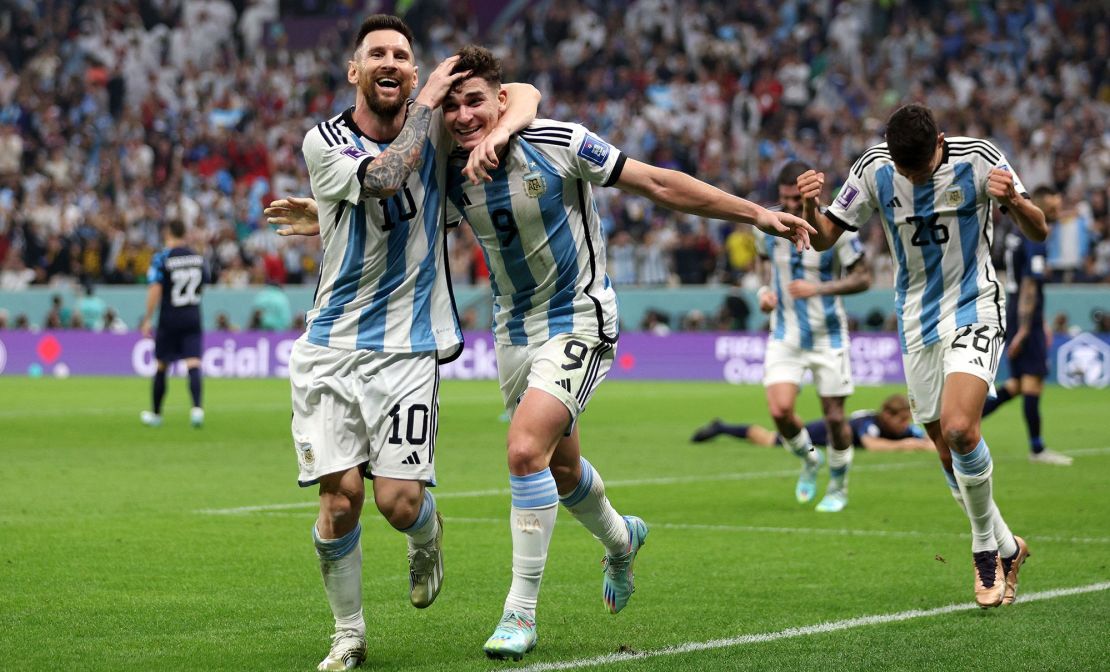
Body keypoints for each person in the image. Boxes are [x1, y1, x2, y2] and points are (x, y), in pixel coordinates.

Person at [268, 45, 815, 663]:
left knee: (525, 450)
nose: (464, 115)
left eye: (477, 101)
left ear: (501, 101)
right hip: (515, 330)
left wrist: (755, 215)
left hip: (582, 316)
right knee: (559, 468)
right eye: (453, 106)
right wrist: (323, 212)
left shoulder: (561, 143)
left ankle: (519, 613)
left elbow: (657, 182)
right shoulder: (454, 173)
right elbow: (399, 213)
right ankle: (620, 540)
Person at [268, 16, 541, 672]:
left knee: (398, 502)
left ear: (416, 73)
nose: (390, 62)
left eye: (403, 55)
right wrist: (424, 110)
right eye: (377, 54)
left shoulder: (441, 127)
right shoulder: (324, 141)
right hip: (331, 344)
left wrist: (495, 130)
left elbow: (525, 94)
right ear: (354, 72)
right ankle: (349, 634)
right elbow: (387, 176)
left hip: (410, 345)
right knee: (340, 496)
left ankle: (426, 535)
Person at [797, 103, 1048, 609]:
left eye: (920, 168)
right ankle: (1007, 547)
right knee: (941, 445)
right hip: (914, 320)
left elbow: (1039, 228)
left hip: (974, 306)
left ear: (940, 143)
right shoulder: (873, 170)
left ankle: (982, 551)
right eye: (904, 170)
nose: (911, 177)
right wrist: (809, 206)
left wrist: (1015, 204)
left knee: (960, 429)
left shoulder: (980, 160)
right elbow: (823, 239)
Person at [751, 160, 872, 512]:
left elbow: (863, 278)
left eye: (795, 199)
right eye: (784, 199)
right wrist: (763, 291)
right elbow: (762, 261)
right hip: (785, 333)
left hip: (828, 335)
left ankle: (838, 485)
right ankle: (809, 459)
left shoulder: (840, 229)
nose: (789, 207)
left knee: (835, 417)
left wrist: (819, 289)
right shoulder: (767, 224)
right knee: (780, 411)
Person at [983, 186, 1072, 465]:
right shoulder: (1035, 237)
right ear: (1042, 208)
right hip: (1024, 315)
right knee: (1033, 383)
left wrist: (1039, 322)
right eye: (1054, 210)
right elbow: (1030, 286)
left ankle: (960, 421)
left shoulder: (1015, 233)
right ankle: (1037, 449)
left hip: (1016, 309)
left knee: (1017, 385)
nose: (1057, 215)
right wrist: (1025, 328)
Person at [692, 393, 934, 453]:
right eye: (901, 420)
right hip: (820, 431)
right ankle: (722, 427)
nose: (905, 425)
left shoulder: (904, 429)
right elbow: (872, 445)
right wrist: (910, 444)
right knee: (769, 440)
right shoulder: (868, 422)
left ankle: (722, 427)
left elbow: (926, 440)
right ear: (887, 415)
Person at [139, 219, 207, 428]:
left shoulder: (162, 258)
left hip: (170, 317)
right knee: (193, 363)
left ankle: (156, 415)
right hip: (193, 315)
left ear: (168, 233)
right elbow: (205, 281)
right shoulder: (197, 257)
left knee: (161, 364)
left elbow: (155, 289)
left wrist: (147, 318)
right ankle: (197, 410)